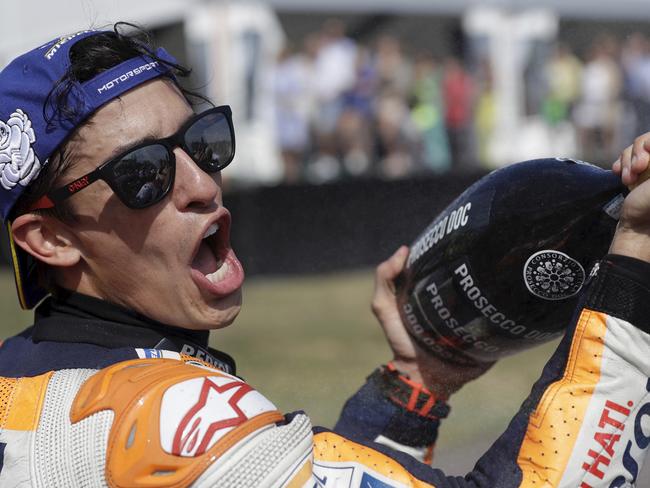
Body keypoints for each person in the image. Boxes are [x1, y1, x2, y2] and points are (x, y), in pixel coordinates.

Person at [0, 25, 649, 487]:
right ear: (48, 239)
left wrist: (417, 386)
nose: (201, 184)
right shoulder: (163, 420)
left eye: (202, 140)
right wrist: (634, 268)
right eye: (142, 174)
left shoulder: (26, 384)